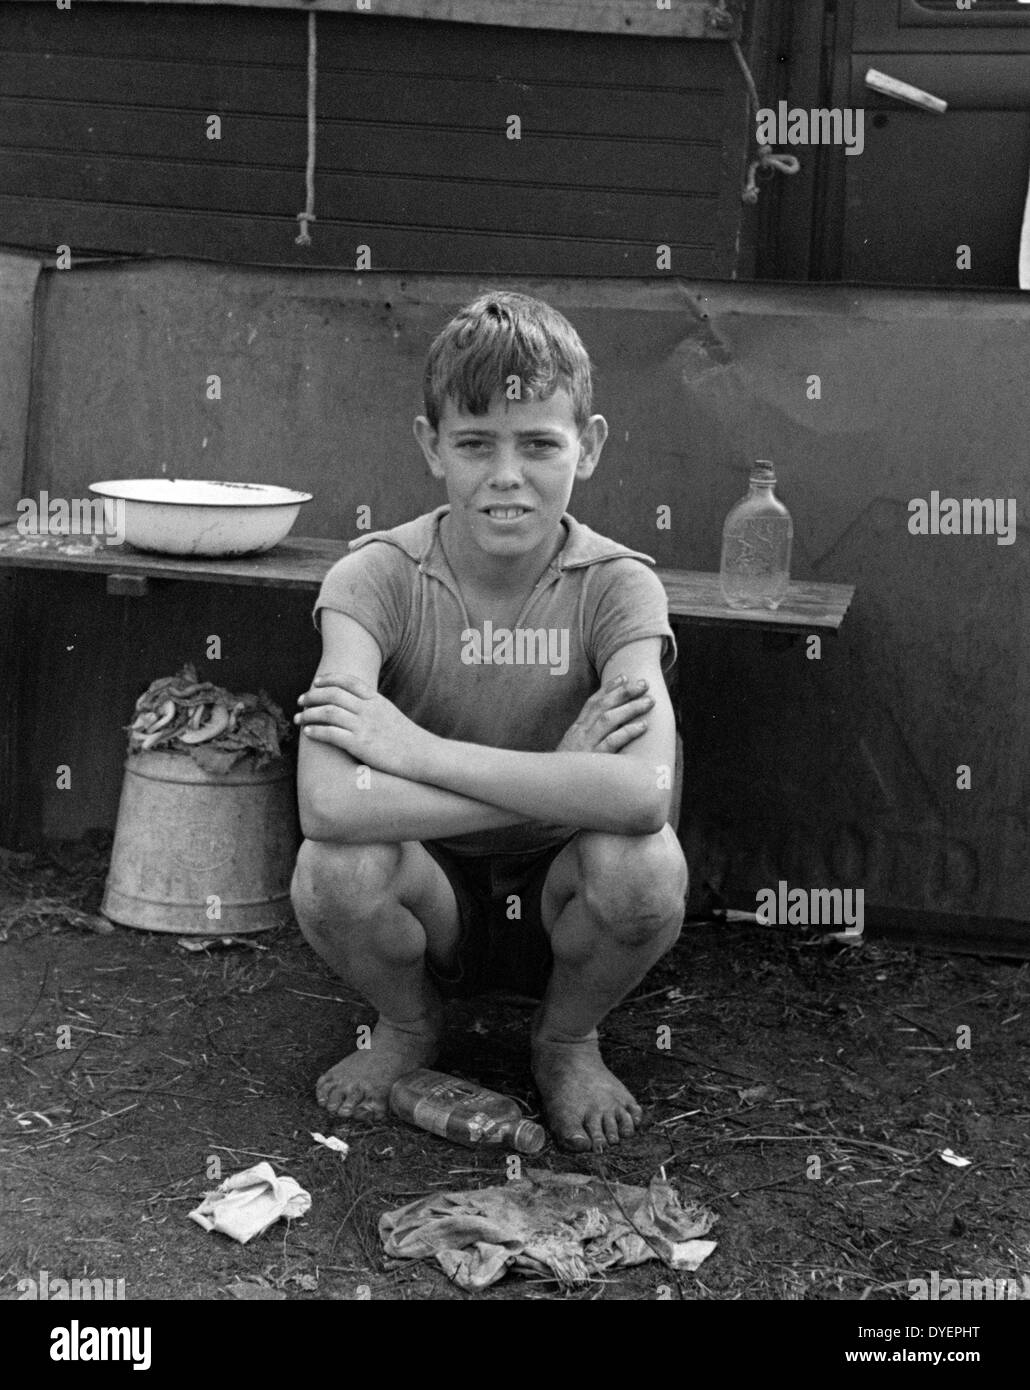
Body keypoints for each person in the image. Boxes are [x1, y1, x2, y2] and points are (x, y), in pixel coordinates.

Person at [291, 291, 687, 1153]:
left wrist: (418, 753)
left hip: (560, 898)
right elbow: (327, 805)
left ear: (590, 445)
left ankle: (566, 1038)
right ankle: (407, 1022)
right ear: (432, 446)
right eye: (475, 444)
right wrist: (561, 786)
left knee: (645, 870)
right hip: (428, 891)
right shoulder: (374, 579)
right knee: (332, 873)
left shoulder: (620, 587)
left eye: (541, 443)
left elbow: (644, 797)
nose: (507, 475)